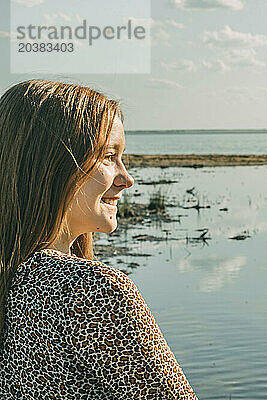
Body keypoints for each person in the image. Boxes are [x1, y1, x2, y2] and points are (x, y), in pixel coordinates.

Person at [0, 80, 198, 399]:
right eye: (108, 156)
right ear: (53, 166)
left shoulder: (14, 277)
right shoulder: (92, 292)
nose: (126, 178)